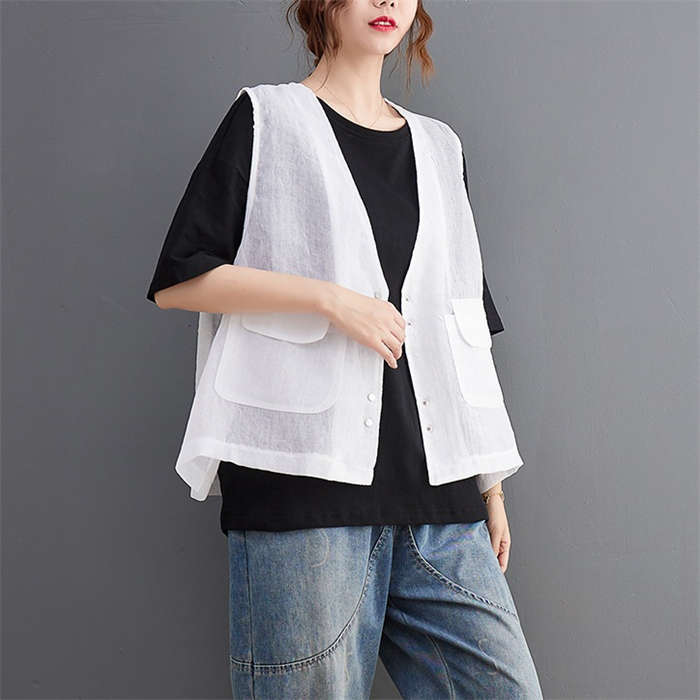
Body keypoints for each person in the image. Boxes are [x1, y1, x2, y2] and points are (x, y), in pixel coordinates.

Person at [147, 0, 543, 697]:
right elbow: (180, 281)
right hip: (306, 493)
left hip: (439, 501)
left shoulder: (441, 148)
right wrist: (329, 299)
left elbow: (463, 329)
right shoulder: (267, 119)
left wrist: (490, 481)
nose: (387, 1)